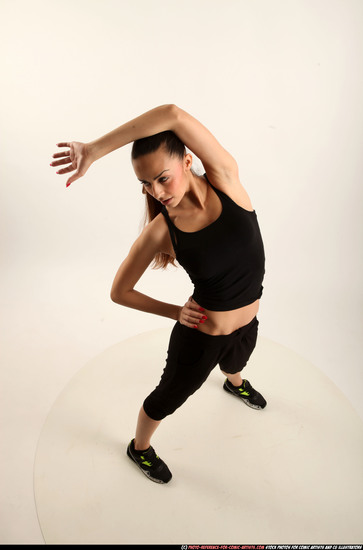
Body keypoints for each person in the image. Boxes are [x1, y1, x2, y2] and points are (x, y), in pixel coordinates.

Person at [50, 104, 267, 484]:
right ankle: (140, 447)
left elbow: (172, 114)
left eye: (162, 178)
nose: (156, 191)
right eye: (147, 184)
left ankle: (234, 383)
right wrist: (174, 312)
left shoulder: (227, 178)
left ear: (187, 161)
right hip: (202, 336)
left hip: (246, 323)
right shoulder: (161, 230)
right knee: (166, 397)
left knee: (239, 359)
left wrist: (95, 150)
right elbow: (120, 291)